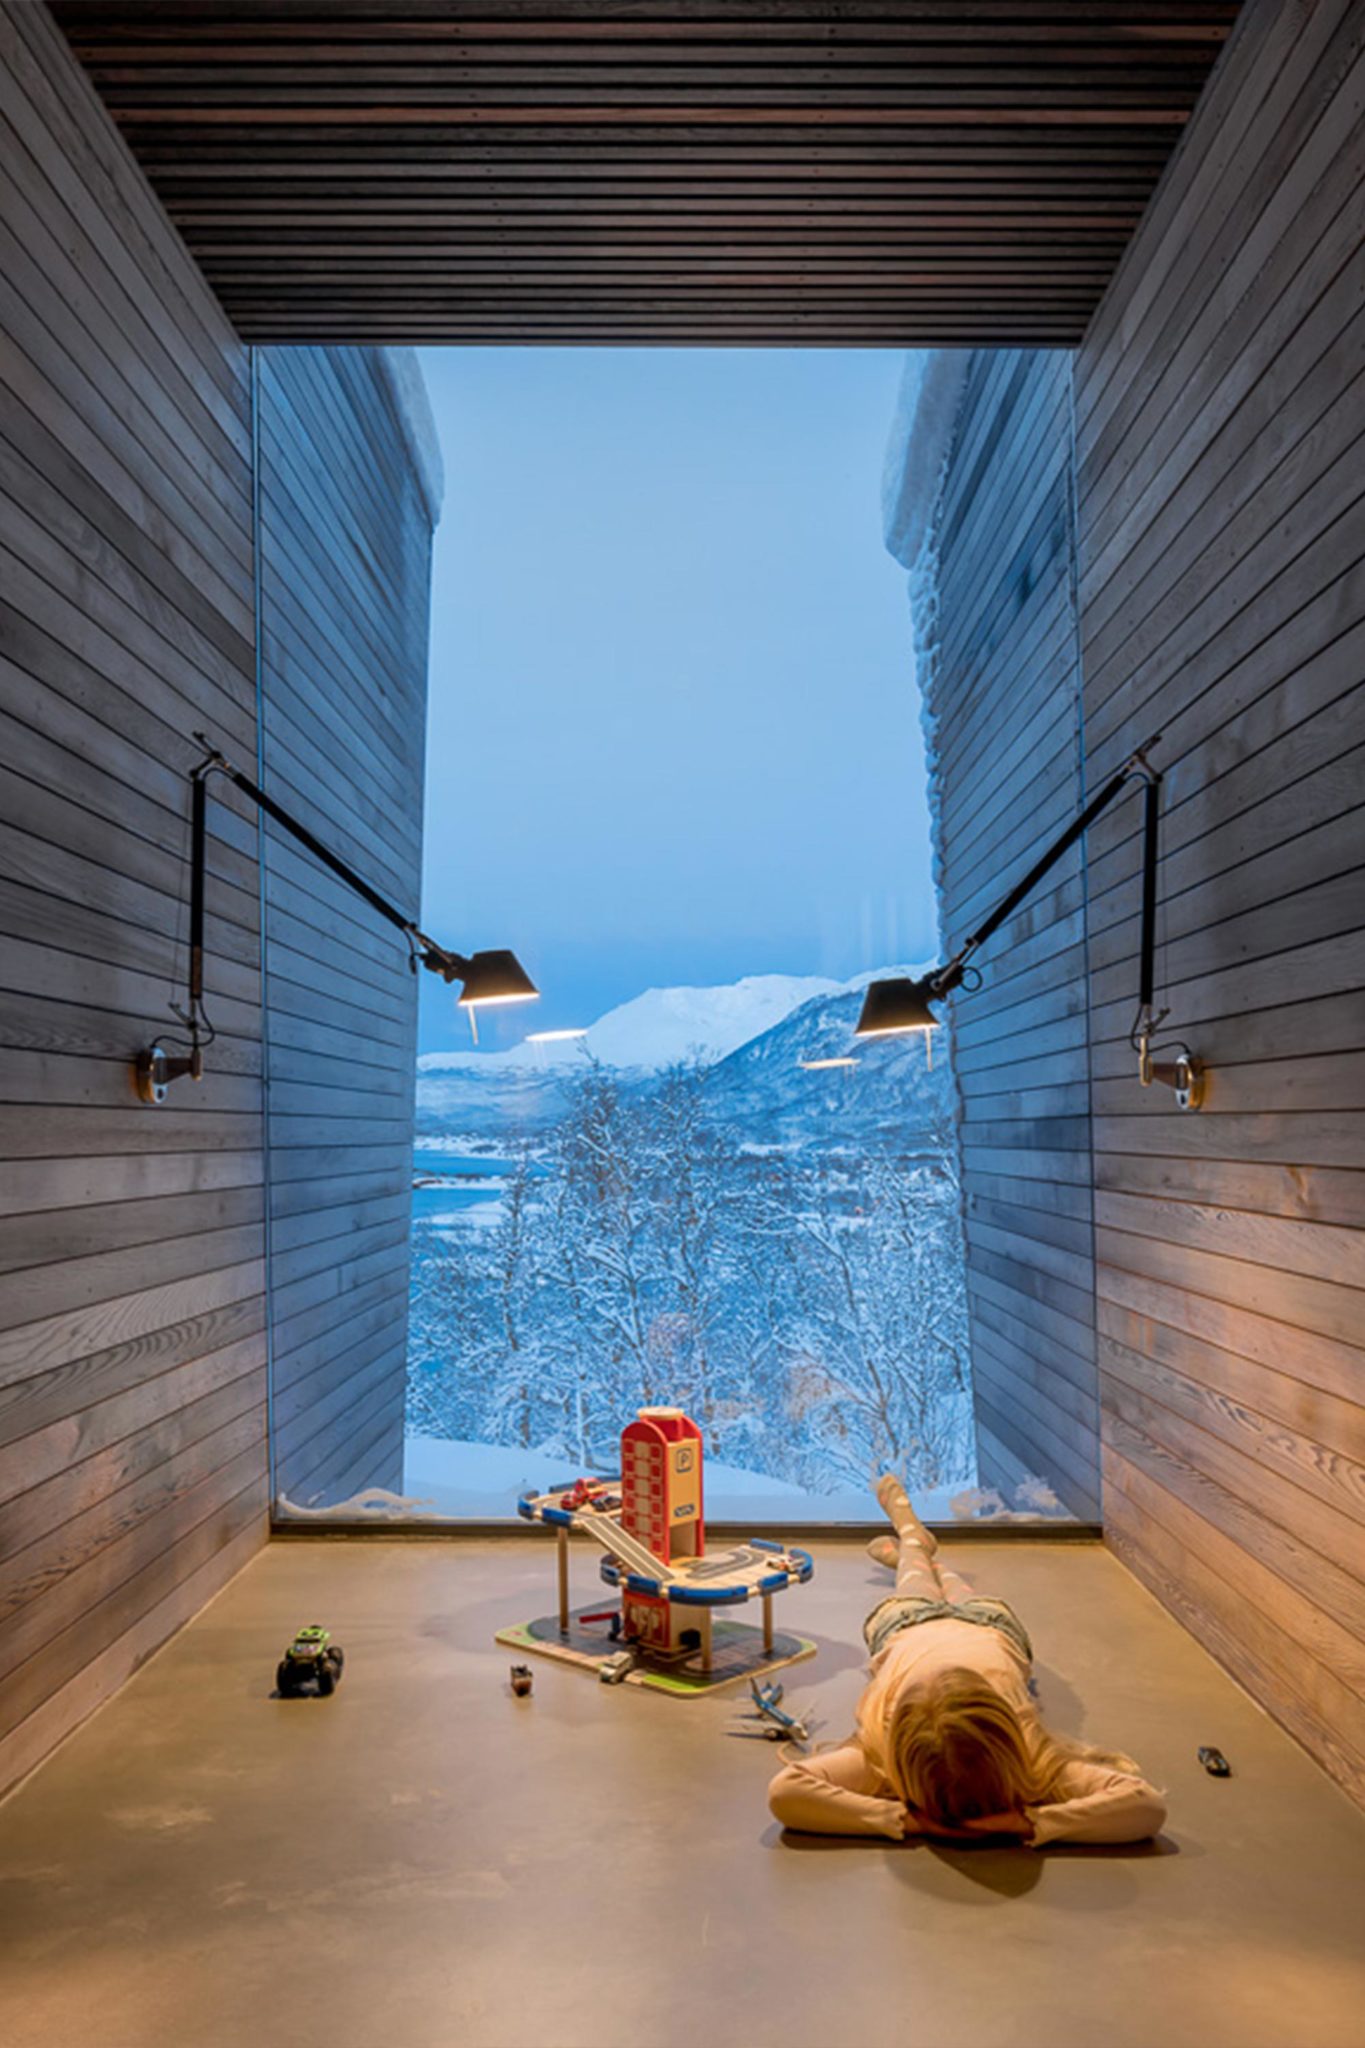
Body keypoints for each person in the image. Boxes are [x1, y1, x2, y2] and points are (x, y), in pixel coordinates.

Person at [769, 1476, 1166, 1846]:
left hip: (918, 1626)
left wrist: (906, 1822)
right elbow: (1144, 1806)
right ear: (1005, 1742)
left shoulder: (879, 1754)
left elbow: (787, 1794)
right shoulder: (1029, 1761)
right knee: (933, 1581)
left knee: (921, 1580)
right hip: (981, 1626)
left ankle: (914, 1542)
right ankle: (913, 1542)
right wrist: (1029, 1823)